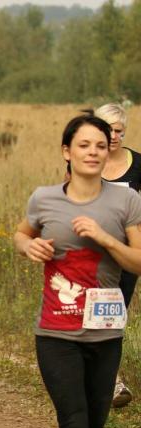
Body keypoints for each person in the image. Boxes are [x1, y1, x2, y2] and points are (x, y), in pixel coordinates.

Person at [13, 114, 141, 428]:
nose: (93, 152)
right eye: (84, 145)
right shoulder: (45, 198)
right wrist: (30, 246)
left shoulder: (126, 200)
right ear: (66, 151)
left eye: (100, 145)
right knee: (74, 426)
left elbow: (138, 261)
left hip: (105, 333)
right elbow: (21, 234)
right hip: (57, 333)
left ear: (109, 151)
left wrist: (105, 238)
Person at [93, 103, 141, 408]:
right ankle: (100, 379)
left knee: (114, 316)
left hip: (127, 255)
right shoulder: (87, 160)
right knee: (91, 315)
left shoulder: (138, 164)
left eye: (118, 130)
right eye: (107, 129)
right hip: (91, 254)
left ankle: (110, 381)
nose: (113, 136)